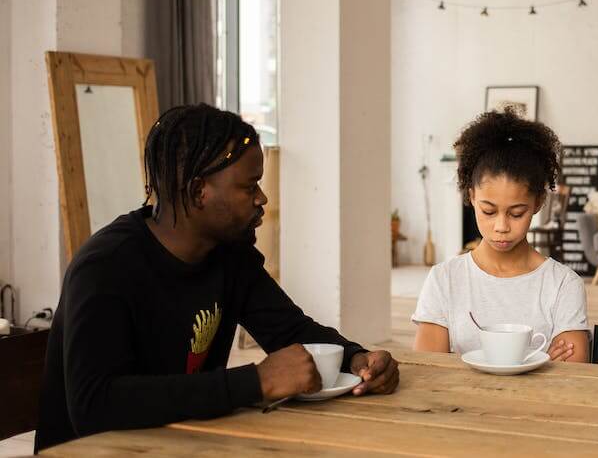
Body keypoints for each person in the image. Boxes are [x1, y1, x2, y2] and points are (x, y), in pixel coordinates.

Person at [35, 104, 399, 452]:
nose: (262, 197)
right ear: (198, 192)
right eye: (249, 186)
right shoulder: (106, 268)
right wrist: (254, 382)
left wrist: (356, 358)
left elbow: (288, 330)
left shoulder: (229, 256)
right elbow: (95, 406)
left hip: (185, 444)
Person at [412, 109, 590, 362]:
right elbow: (428, 370)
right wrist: (538, 361)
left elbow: (571, 376)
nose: (501, 226)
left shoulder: (562, 284)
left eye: (517, 213)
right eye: (488, 211)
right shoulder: (445, 279)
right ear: (471, 195)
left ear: (538, 201)